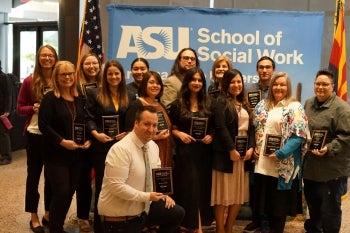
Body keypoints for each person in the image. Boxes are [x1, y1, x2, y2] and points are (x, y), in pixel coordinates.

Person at [98, 106, 185, 233]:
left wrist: (163, 194)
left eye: (154, 125)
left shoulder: (153, 147)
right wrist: (147, 196)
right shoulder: (121, 149)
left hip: (142, 210)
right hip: (119, 219)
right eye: (146, 124)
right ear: (136, 123)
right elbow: (116, 187)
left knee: (177, 213)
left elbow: (155, 176)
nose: (151, 129)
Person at [38, 60, 91, 233]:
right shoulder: (50, 98)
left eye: (70, 73)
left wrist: (88, 139)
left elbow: (86, 121)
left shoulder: (79, 98)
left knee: (69, 193)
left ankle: (56, 224)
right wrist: (62, 142)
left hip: (77, 155)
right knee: (61, 191)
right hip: (56, 154)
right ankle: (55, 227)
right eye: (63, 74)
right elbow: (43, 125)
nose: (67, 77)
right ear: (56, 77)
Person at [252, 72, 308, 233]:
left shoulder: (294, 107)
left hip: (282, 166)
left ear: (288, 87)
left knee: (278, 211)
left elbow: (298, 136)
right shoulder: (262, 105)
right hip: (263, 166)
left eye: (282, 84)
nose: (278, 87)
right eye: (275, 84)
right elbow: (255, 130)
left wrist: (281, 153)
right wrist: (254, 149)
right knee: (265, 208)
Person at [16, 45, 58, 233]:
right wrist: (33, 108)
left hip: (54, 137)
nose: (47, 58)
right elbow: (19, 108)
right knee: (33, 177)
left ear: (55, 58)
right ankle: (33, 217)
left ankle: (48, 213)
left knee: (51, 178)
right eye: (43, 55)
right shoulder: (29, 81)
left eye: (50, 55)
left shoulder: (60, 80)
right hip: (34, 135)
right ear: (38, 58)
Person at [303, 69, 350, 233]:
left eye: (325, 84)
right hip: (310, 170)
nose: (320, 87)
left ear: (333, 86)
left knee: (330, 213)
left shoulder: (342, 108)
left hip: (331, 172)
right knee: (314, 210)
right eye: (317, 84)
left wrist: (329, 148)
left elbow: (346, 136)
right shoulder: (308, 103)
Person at [85, 59, 129, 233]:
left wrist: (126, 132)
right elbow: (88, 118)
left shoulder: (129, 95)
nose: (113, 76)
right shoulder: (94, 94)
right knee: (103, 186)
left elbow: (132, 121)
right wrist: (95, 134)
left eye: (117, 73)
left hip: (123, 148)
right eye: (110, 73)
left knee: (121, 184)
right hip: (101, 148)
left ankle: (118, 223)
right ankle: (100, 227)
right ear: (105, 76)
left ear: (122, 75)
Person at [169, 67, 213, 232]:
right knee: (188, 188)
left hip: (203, 153)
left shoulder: (209, 103)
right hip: (185, 153)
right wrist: (179, 134)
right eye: (193, 79)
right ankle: (191, 226)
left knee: (201, 189)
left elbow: (214, 127)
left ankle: (198, 224)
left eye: (200, 80)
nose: (196, 83)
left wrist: (212, 136)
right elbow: (172, 128)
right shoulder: (177, 103)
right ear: (187, 82)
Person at [211, 69, 255, 233]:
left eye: (239, 82)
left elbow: (251, 129)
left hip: (243, 156)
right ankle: (220, 229)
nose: (236, 85)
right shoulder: (220, 102)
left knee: (237, 195)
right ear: (226, 84)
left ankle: (229, 227)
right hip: (226, 155)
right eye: (233, 82)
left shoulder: (244, 103)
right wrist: (231, 149)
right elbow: (220, 127)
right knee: (223, 196)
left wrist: (251, 147)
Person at [243, 56, 275, 233]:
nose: (264, 70)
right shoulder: (248, 90)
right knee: (254, 186)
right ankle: (255, 219)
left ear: (273, 70)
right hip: (252, 143)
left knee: (268, 185)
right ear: (257, 70)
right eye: (261, 67)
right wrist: (251, 145)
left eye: (268, 67)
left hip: (271, 146)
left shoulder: (277, 90)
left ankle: (267, 221)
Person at [75, 52, 102, 232]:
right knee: (83, 180)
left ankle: (102, 216)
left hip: (101, 138)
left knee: (101, 179)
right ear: (82, 66)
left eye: (94, 63)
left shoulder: (105, 84)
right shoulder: (76, 86)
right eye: (87, 64)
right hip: (83, 138)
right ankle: (83, 217)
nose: (91, 66)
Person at [125, 70, 172, 167]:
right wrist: (156, 137)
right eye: (151, 82)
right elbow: (129, 133)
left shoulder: (160, 105)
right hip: (144, 152)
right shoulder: (136, 105)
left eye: (158, 83)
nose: (155, 85)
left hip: (164, 151)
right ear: (144, 85)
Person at [0, 61, 12, 165]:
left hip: (2, 111)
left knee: (3, 134)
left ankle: (7, 157)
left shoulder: (3, 77)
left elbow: (8, 94)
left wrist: (7, 110)